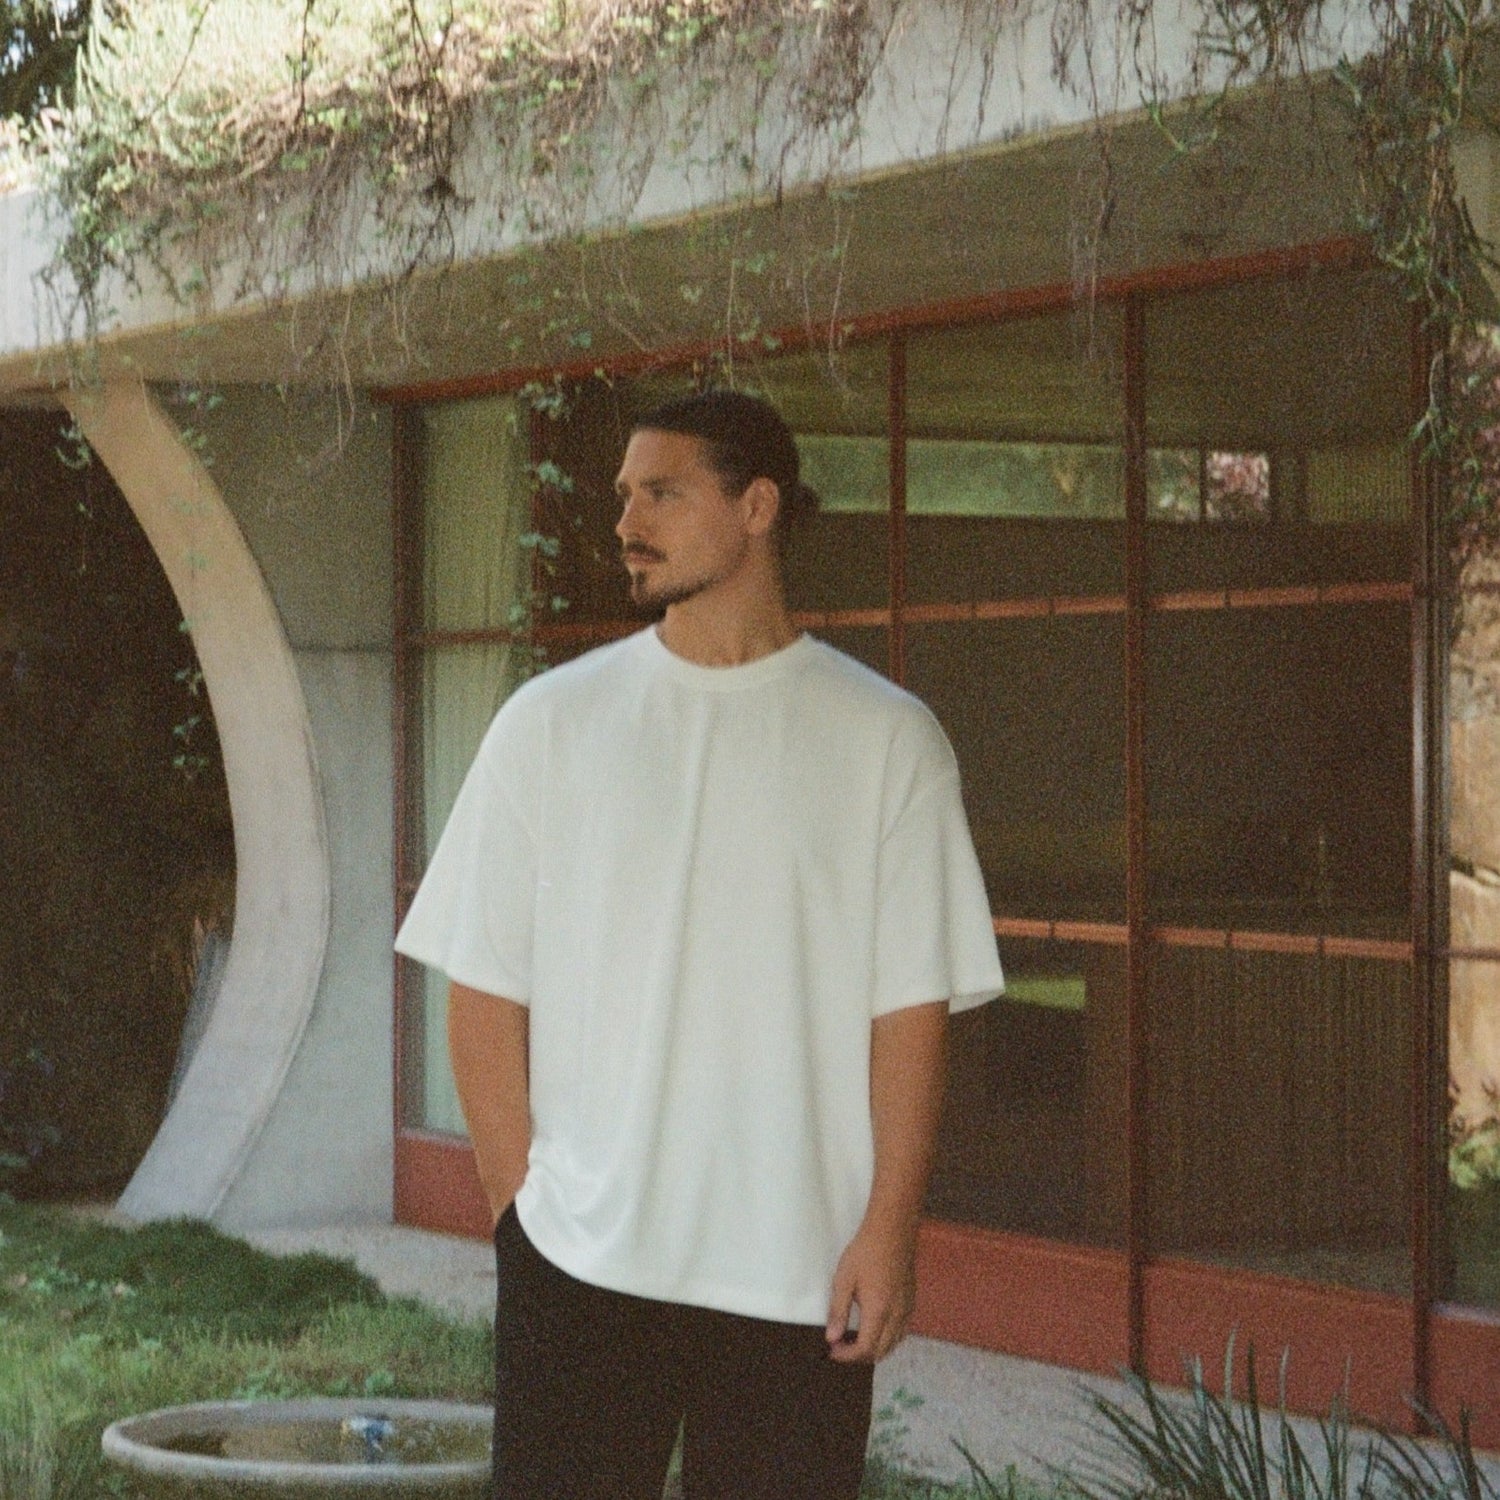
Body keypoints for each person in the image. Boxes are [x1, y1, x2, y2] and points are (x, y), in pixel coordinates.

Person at [395, 389, 1003, 1500]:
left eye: (663, 492)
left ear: (758, 504)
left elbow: (908, 1016)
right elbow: (482, 989)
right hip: (581, 1260)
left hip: (797, 1274)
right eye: (625, 495)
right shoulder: (551, 722)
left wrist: (889, 1230)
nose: (629, 520)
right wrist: (520, 1216)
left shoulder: (887, 742)